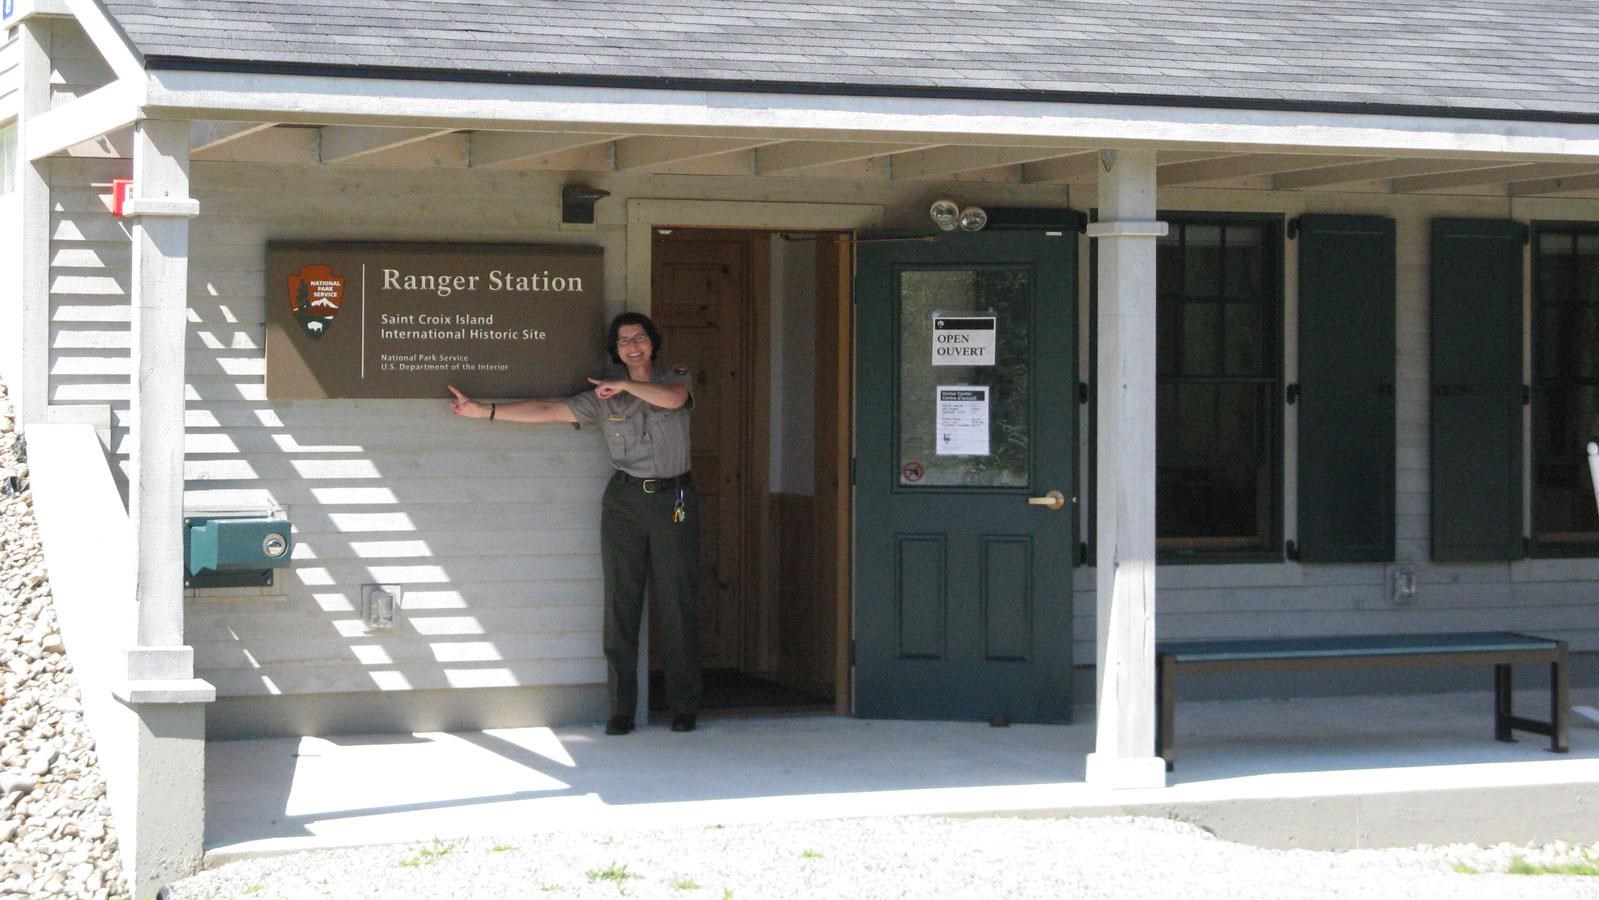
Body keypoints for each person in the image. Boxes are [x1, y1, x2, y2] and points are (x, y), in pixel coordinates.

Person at [448, 312, 701, 735]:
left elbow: (674, 400)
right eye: (623, 342)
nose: (632, 346)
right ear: (615, 350)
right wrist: (484, 412)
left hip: (673, 498)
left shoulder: (675, 376)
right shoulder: (603, 396)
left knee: (677, 601)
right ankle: (621, 710)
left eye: (639, 338)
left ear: (653, 343)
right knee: (621, 604)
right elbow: (549, 410)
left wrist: (625, 384)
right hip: (624, 502)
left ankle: (684, 706)